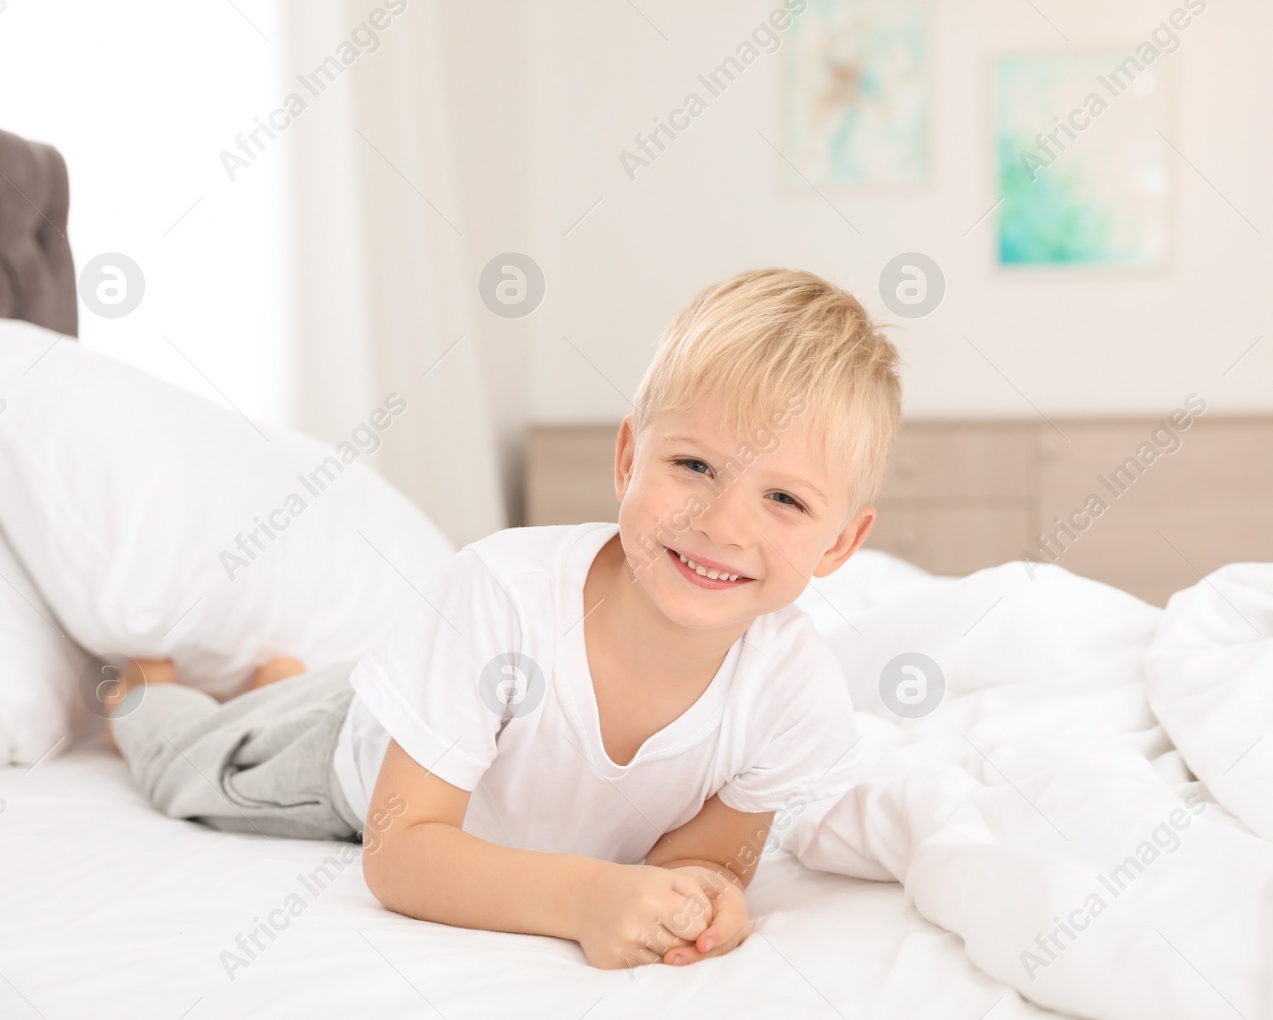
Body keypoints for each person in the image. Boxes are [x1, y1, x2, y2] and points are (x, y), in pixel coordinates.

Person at [105, 267, 903, 970]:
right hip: (365, 757)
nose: (723, 523)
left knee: (302, 692)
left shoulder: (793, 691)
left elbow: (705, 858)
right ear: (629, 460)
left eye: (785, 500)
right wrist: (586, 897)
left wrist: (705, 899)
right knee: (188, 766)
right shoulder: (502, 594)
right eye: (694, 465)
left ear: (842, 542)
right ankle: (144, 695)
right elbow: (401, 851)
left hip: (444, 707)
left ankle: (281, 678)